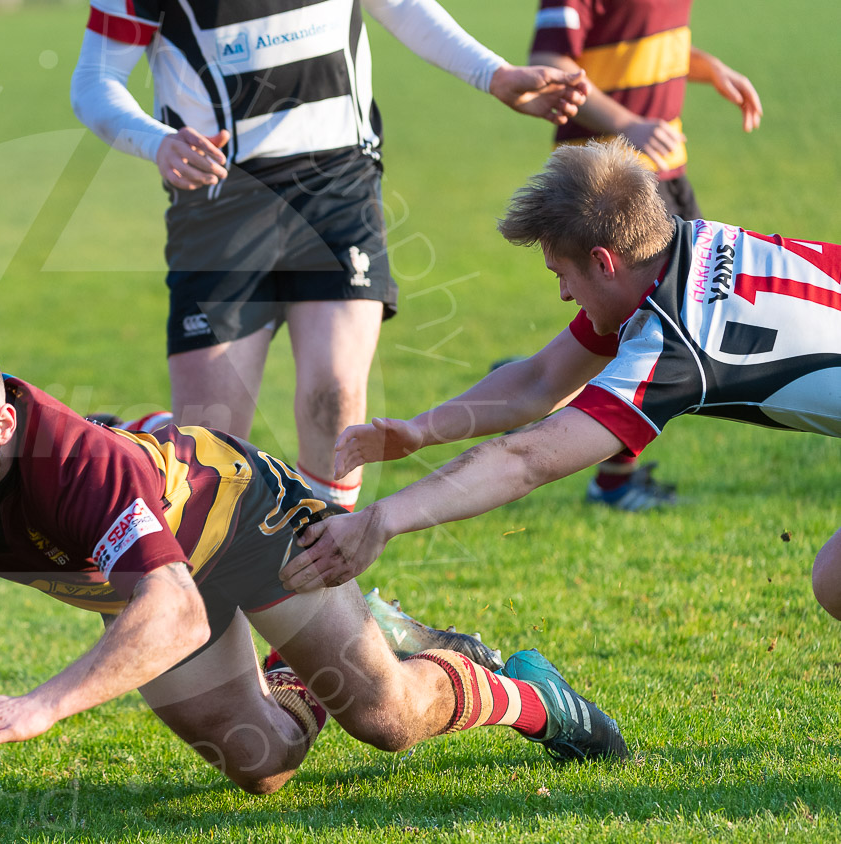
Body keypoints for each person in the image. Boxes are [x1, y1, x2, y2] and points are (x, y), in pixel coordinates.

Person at [0, 327, 627, 795]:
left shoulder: (71, 465)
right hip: (149, 582)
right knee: (263, 767)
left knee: (387, 718)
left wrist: (40, 706)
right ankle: (303, 665)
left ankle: (529, 694)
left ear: (4, 420)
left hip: (245, 528)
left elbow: (172, 611)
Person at [284, 138, 841, 623]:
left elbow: (527, 459)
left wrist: (380, 520)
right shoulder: (686, 246)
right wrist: (420, 431)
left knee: (834, 580)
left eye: (563, 274)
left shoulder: (675, 342)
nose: (563, 294)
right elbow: (540, 379)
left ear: (603, 262)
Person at [69, 0, 589, 514]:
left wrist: (494, 74)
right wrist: (158, 142)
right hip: (219, 200)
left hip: (337, 183)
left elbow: (400, 5)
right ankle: (139, 436)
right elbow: (94, 81)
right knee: (208, 446)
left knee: (335, 394)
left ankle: (325, 558)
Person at [528, 0, 763, 511]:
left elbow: (650, 46)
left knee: (668, 328)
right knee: (640, 335)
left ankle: (553, 398)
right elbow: (550, 64)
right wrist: (627, 122)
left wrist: (708, 68)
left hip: (664, 171)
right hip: (605, 186)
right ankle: (603, 467)